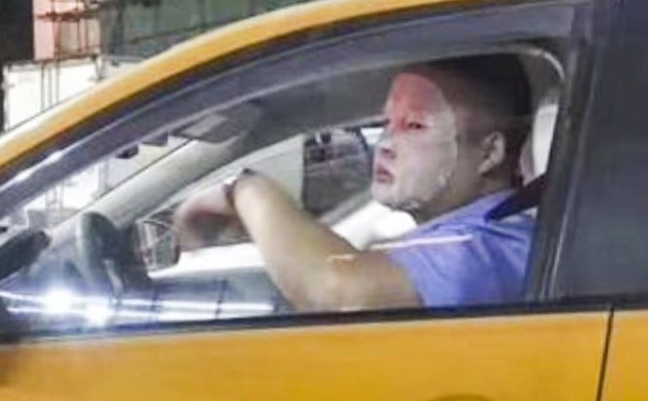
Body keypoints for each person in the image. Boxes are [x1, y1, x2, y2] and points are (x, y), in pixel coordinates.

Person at [173, 55, 535, 311]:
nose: (386, 144)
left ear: (490, 153)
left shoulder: (492, 246)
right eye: (387, 123)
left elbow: (339, 294)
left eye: (415, 126)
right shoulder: (469, 235)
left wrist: (244, 189)